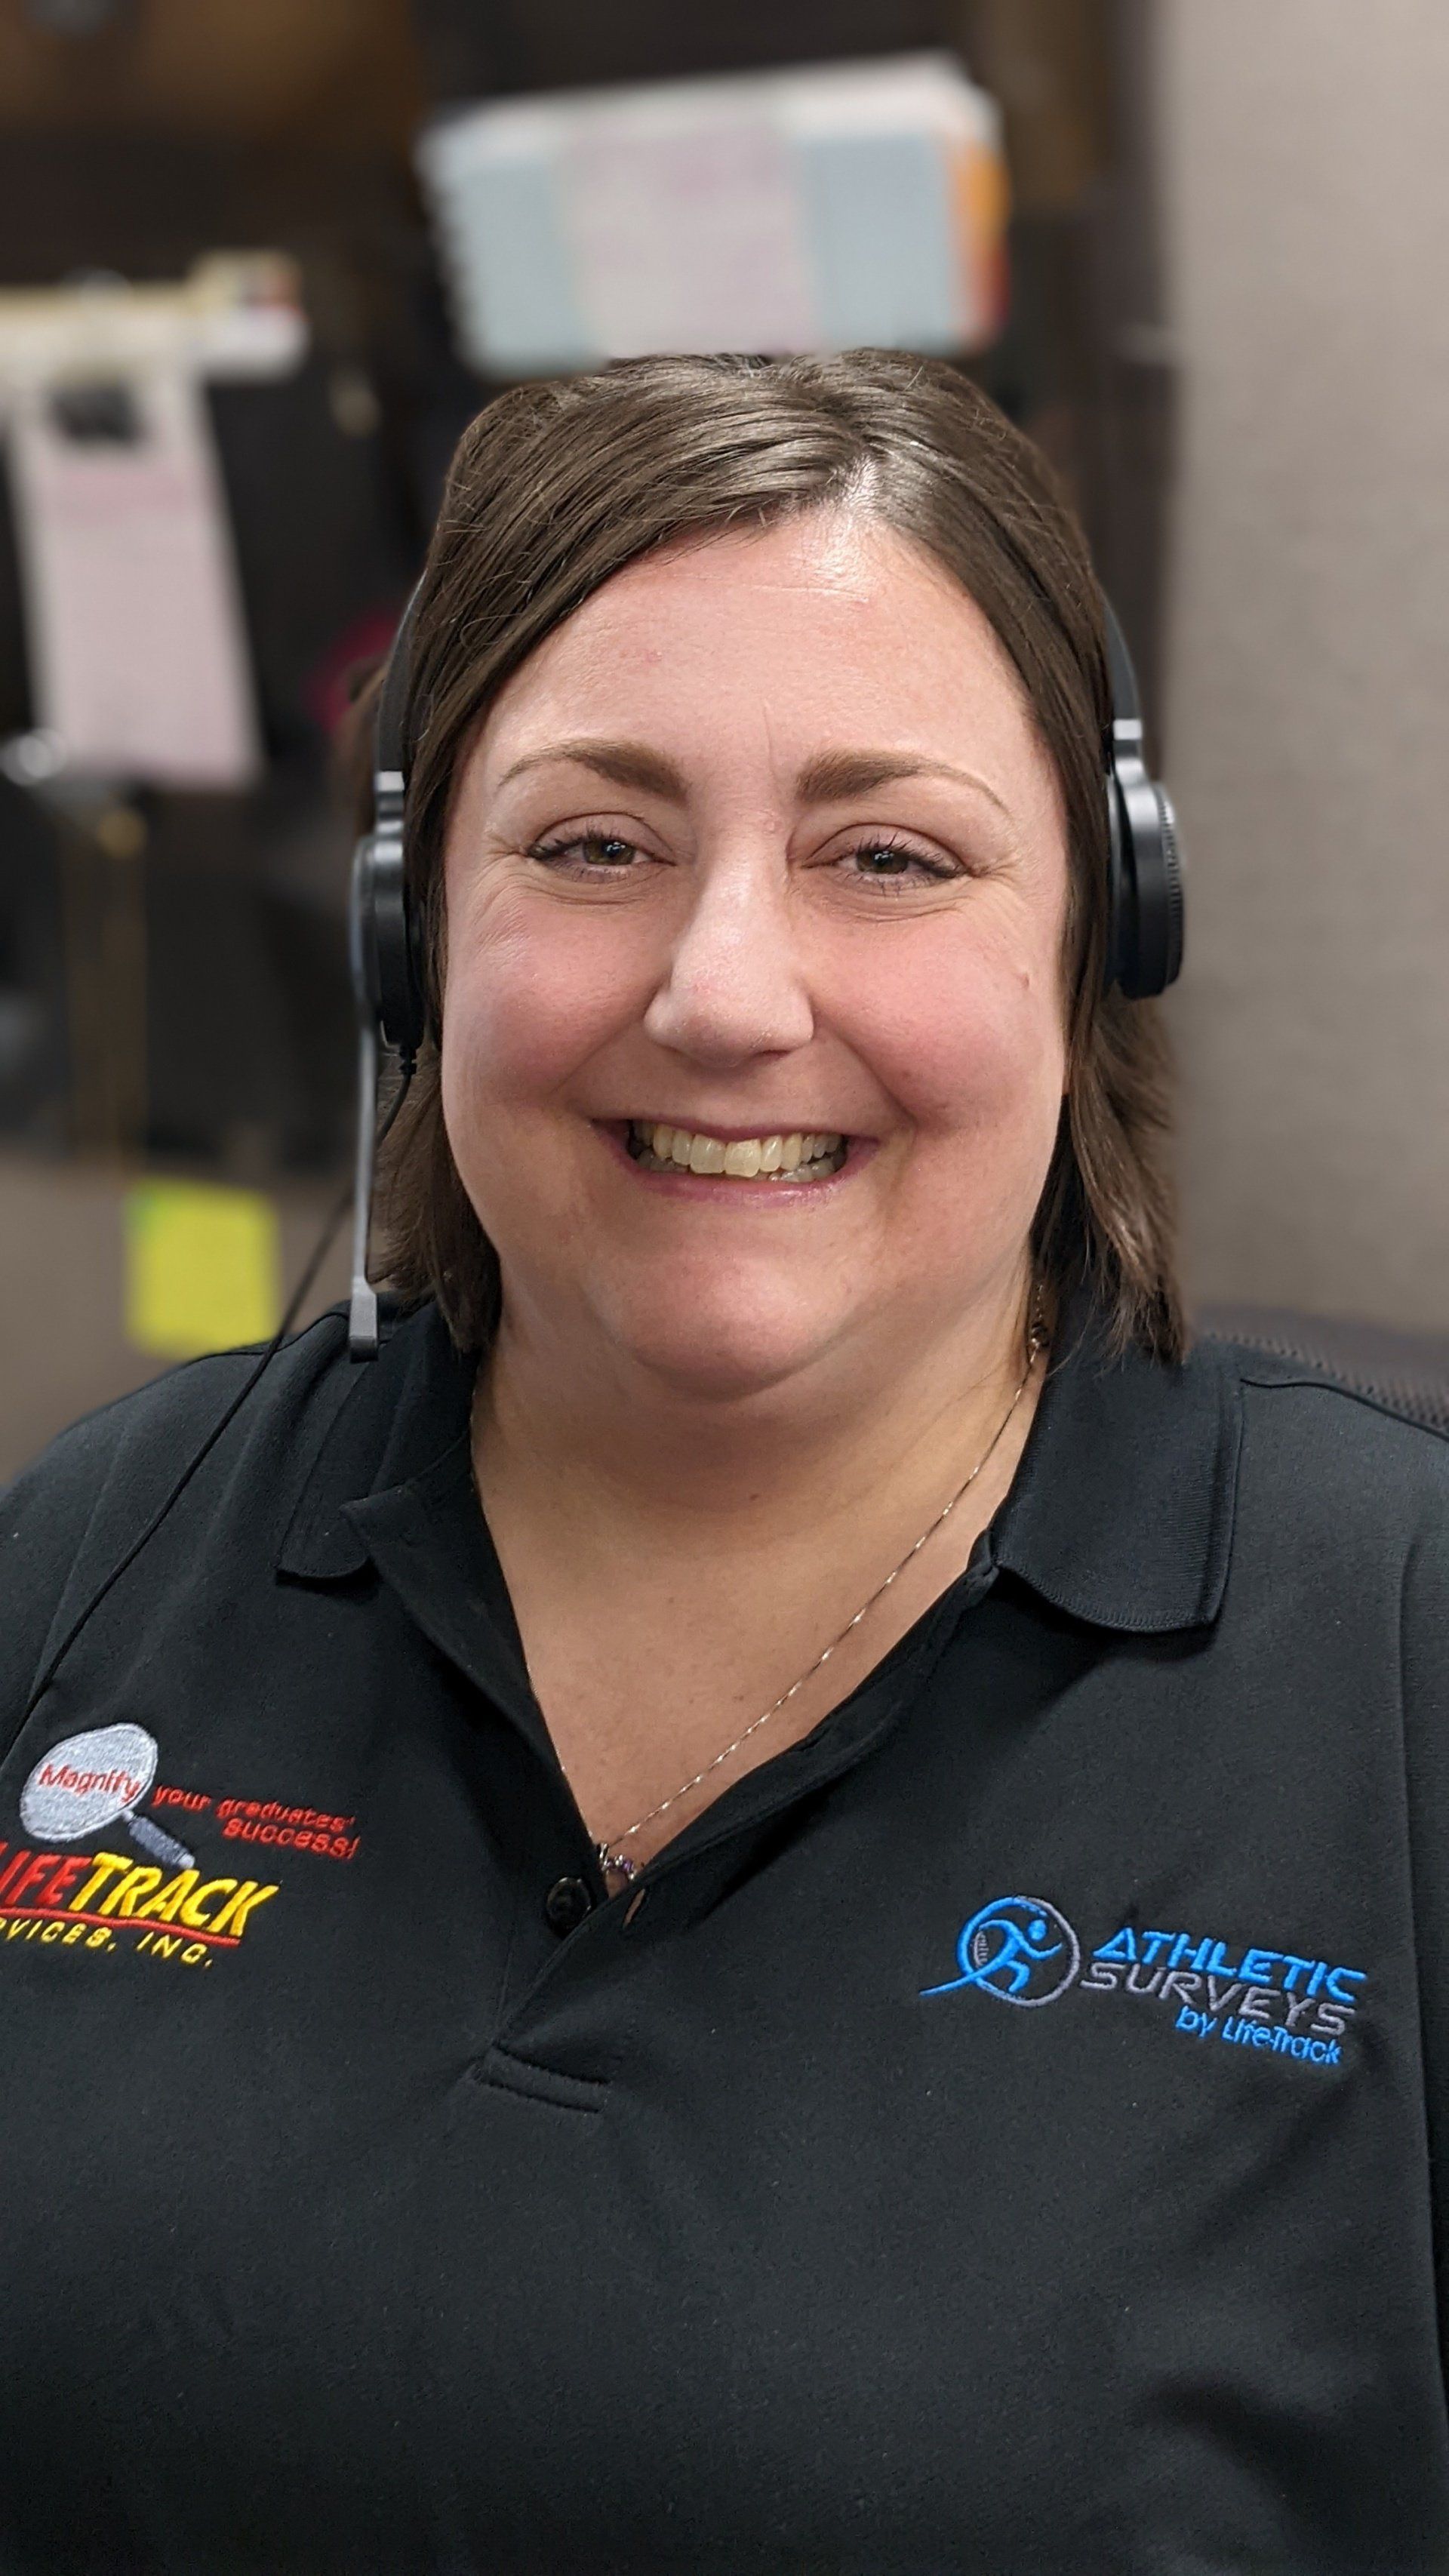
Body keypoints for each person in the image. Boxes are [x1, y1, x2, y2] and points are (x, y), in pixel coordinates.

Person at [0, 351, 1445, 2576]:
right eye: (595, 843)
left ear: (1100, 936)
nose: (725, 990)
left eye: (889, 853)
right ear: (414, 932)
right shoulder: (105, 1545)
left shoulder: (1398, 1646)